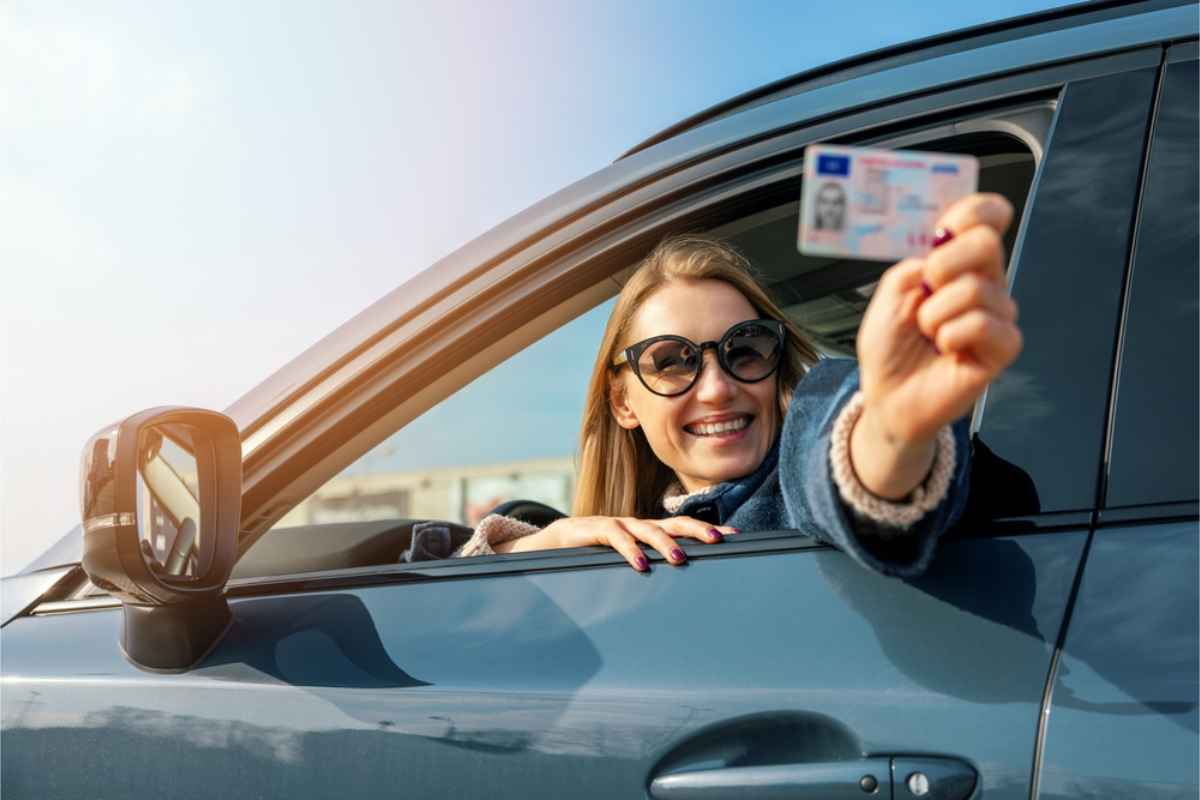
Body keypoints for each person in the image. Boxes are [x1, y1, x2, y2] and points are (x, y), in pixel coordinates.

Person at [451, 193, 1022, 578]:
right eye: (671, 360)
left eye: (745, 349)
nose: (718, 388)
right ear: (623, 400)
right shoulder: (624, 531)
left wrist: (893, 431)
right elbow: (447, 596)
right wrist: (542, 545)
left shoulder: (807, 447)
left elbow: (844, 468)